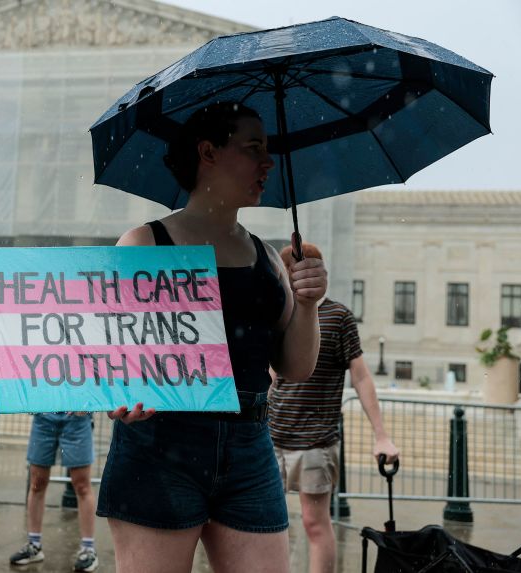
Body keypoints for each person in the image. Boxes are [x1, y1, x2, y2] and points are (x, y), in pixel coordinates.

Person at [95, 102, 328, 573]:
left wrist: (307, 303)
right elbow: (110, 355)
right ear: (208, 152)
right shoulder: (144, 243)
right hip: (160, 444)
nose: (268, 163)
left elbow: (295, 366)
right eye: (253, 148)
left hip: (250, 445)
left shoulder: (265, 256)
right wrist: (117, 394)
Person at [269, 242, 400, 573]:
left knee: (315, 523)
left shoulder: (338, 316)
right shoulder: (277, 314)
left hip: (316, 442)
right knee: (268, 525)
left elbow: (362, 378)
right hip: (271, 438)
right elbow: (269, 376)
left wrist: (381, 436)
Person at [9, 411, 99, 572]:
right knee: (37, 483)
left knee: (82, 486)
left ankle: (88, 548)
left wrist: (87, 404)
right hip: (45, 415)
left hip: (76, 416)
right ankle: (34, 544)